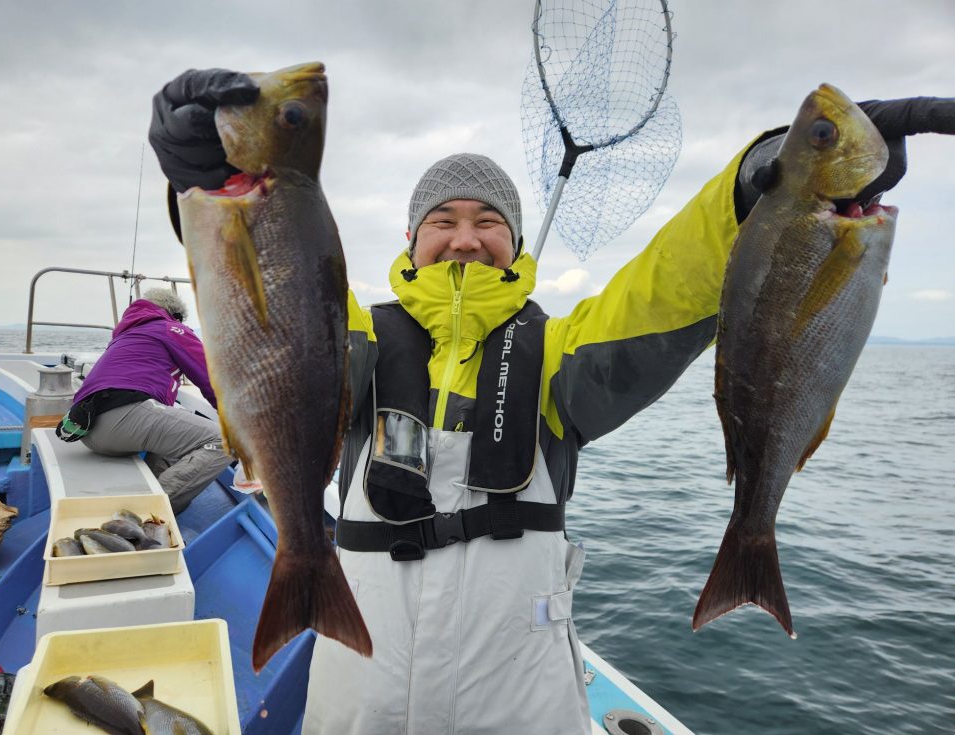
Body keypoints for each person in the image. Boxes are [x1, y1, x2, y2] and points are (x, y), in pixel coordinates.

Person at [148, 69, 954, 734]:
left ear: (515, 244)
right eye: (442, 220)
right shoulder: (353, 335)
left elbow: (667, 286)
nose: (466, 237)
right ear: (410, 241)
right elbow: (272, 300)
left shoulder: (560, 353)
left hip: (522, 706)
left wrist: (768, 184)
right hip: (357, 704)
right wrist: (210, 182)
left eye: (488, 221)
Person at [57, 287, 232, 514]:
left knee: (176, 437)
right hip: (123, 420)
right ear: (174, 316)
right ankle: (148, 513)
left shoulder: (127, 335)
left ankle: (152, 488)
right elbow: (212, 380)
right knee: (223, 441)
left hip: (87, 429)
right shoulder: (171, 328)